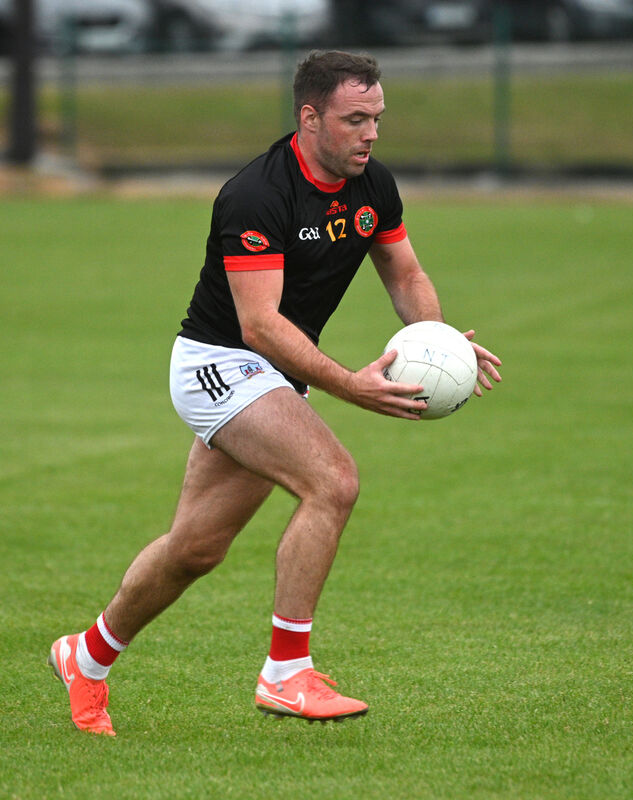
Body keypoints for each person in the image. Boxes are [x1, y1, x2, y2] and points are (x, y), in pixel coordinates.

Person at [48, 50, 502, 736]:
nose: (371, 133)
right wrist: (350, 385)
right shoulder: (257, 194)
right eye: (355, 120)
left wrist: (438, 340)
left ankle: (87, 655)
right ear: (309, 116)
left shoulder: (373, 185)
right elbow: (258, 325)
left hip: (275, 376)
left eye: (377, 118)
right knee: (334, 480)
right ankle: (286, 673)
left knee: (195, 548)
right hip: (219, 364)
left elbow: (405, 275)